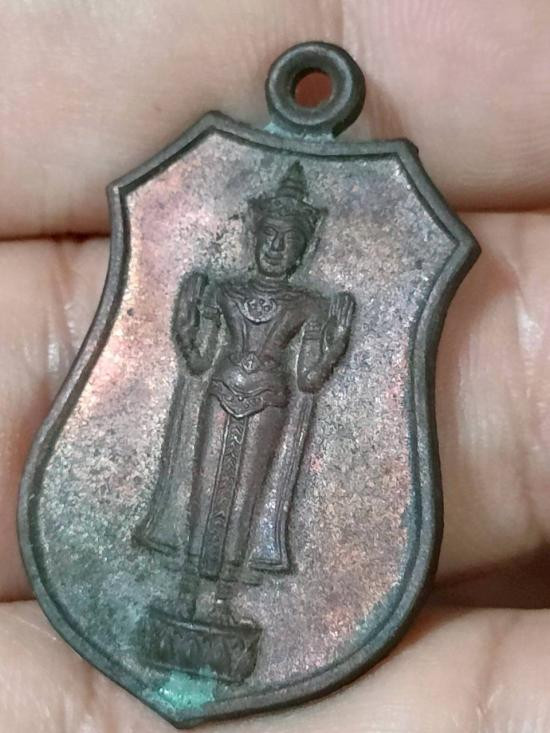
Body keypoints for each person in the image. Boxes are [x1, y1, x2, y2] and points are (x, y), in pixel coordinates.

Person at [2, 2, 550, 730]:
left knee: (246, 500)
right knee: (202, 492)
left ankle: (223, 600)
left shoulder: (307, 304)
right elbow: (197, 360)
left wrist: (335, 338)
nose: (273, 249)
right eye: (267, 237)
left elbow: (314, 378)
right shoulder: (224, 289)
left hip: (270, 399)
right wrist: (188, 321)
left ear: (297, 247)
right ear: (256, 233)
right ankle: (187, 597)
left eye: (286, 242)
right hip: (220, 393)